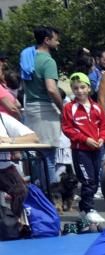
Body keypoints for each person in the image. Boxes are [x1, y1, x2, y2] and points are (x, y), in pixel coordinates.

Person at [61, 72, 105, 225]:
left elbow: (103, 126)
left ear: (89, 88)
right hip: (81, 151)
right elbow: (67, 129)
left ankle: (83, 209)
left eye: (82, 87)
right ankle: (89, 209)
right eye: (76, 88)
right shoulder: (69, 108)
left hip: (97, 149)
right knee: (87, 180)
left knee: (95, 181)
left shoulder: (97, 107)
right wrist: (85, 139)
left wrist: (102, 138)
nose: (80, 91)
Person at [22, 26, 63, 195]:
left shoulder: (28, 57)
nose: (58, 42)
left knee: (38, 158)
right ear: (47, 40)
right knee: (48, 158)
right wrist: (63, 108)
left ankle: (38, 194)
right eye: (56, 39)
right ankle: (50, 197)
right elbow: (52, 89)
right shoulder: (48, 61)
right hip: (45, 110)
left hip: (31, 108)